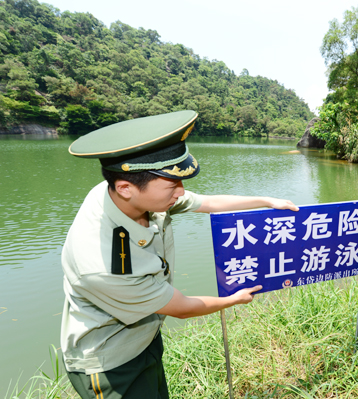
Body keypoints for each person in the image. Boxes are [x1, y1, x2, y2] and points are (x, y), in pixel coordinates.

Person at [60, 110, 298, 398]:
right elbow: (183, 308)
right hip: (110, 363)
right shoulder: (103, 265)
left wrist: (264, 200)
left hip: (144, 336)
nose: (180, 192)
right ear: (125, 188)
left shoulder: (128, 190)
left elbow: (208, 202)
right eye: (173, 185)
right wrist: (233, 299)